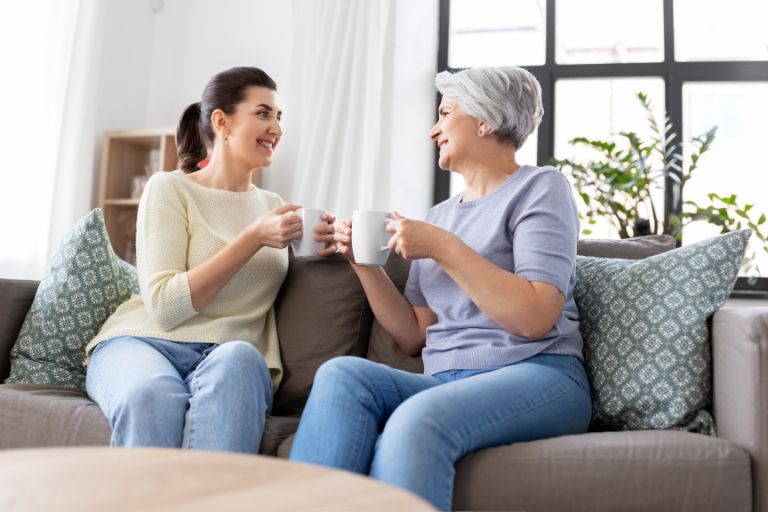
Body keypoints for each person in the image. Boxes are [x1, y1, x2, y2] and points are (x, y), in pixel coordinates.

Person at [289, 66, 592, 510]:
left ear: (485, 120)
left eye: (445, 113)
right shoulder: (438, 216)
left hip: (539, 372)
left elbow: (534, 317)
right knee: (342, 374)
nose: (433, 130)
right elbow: (414, 334)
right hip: (445, 382)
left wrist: (443, 247)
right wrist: (363, 264)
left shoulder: (540, 188)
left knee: (417, 420)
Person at [84, 66, 336, 453]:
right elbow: (166, 308)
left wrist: (331, 245)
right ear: (222, 122)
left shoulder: (275, 208)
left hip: (229, 352)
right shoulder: (170, 188)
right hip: (145, 343)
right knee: (152, 397)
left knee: (242, 360)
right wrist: (252, 237)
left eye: (279, 117)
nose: (277, 129)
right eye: (263, 113)